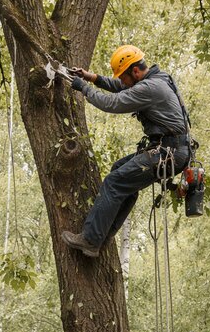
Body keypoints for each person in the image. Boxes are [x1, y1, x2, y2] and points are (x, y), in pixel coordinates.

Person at [62, 45, 192, 258]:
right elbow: (120, 87)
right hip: (172, 148)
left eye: (123, 77)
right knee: (120, 171)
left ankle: (91, 240)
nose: (122, 82)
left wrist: (83, 88)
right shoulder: (157, 78)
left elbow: (112, 102)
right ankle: (103, 235)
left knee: (114, 182)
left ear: (135, 71)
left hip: (170, 151)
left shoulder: (150, 88)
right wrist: (92, 77)